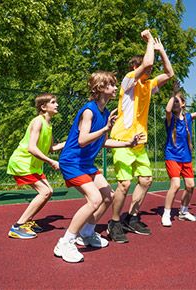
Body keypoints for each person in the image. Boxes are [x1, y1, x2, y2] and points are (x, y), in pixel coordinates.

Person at [54, 71, 144, 263]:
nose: (115, 88)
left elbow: (103, 142)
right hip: (72, 162)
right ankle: (65, 242)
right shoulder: (89, 110)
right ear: (101, 87)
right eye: (111, 84)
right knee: (94, 199)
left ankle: (86, 233)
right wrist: (105, 129)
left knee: (108, 196)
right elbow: (83, 139)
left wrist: (128, 143)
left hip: (86, 164)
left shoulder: (104, 114)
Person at [107, 29, 174, 243]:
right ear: (135, 68)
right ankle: (114, 222)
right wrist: (148, 42)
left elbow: (169, 74)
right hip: (122, 142)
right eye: (146, 67)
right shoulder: (128, 82)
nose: (150, 69)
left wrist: (161, 51)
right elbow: (147, 64)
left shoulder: (148, 86)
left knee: (146, 180)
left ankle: (132, 217)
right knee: (124, 184)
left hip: (139, 143)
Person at [6, 93, 64, 239]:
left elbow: (52, 148)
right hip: (22, 163)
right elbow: (32, 148)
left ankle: (27, 222)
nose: (57, 104)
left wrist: (73, 141)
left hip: (32, 166)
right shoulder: (38, 121)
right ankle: (18, 227)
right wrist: (51, 162)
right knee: (44, 192)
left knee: (49, 191)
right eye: (53, 102)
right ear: (44, 107)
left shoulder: (49, 125)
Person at [161, 85, 196, 227]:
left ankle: (183, 211)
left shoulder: (188, 117)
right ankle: (166, 213)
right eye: (173, 101)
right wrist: (174, 95)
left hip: (186, 157)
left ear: (183, 104)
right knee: (175, 185)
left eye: (178, 101)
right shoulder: (170, 119)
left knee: (190, 186)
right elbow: (167, 109)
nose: (175, 103)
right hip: (172, 156)